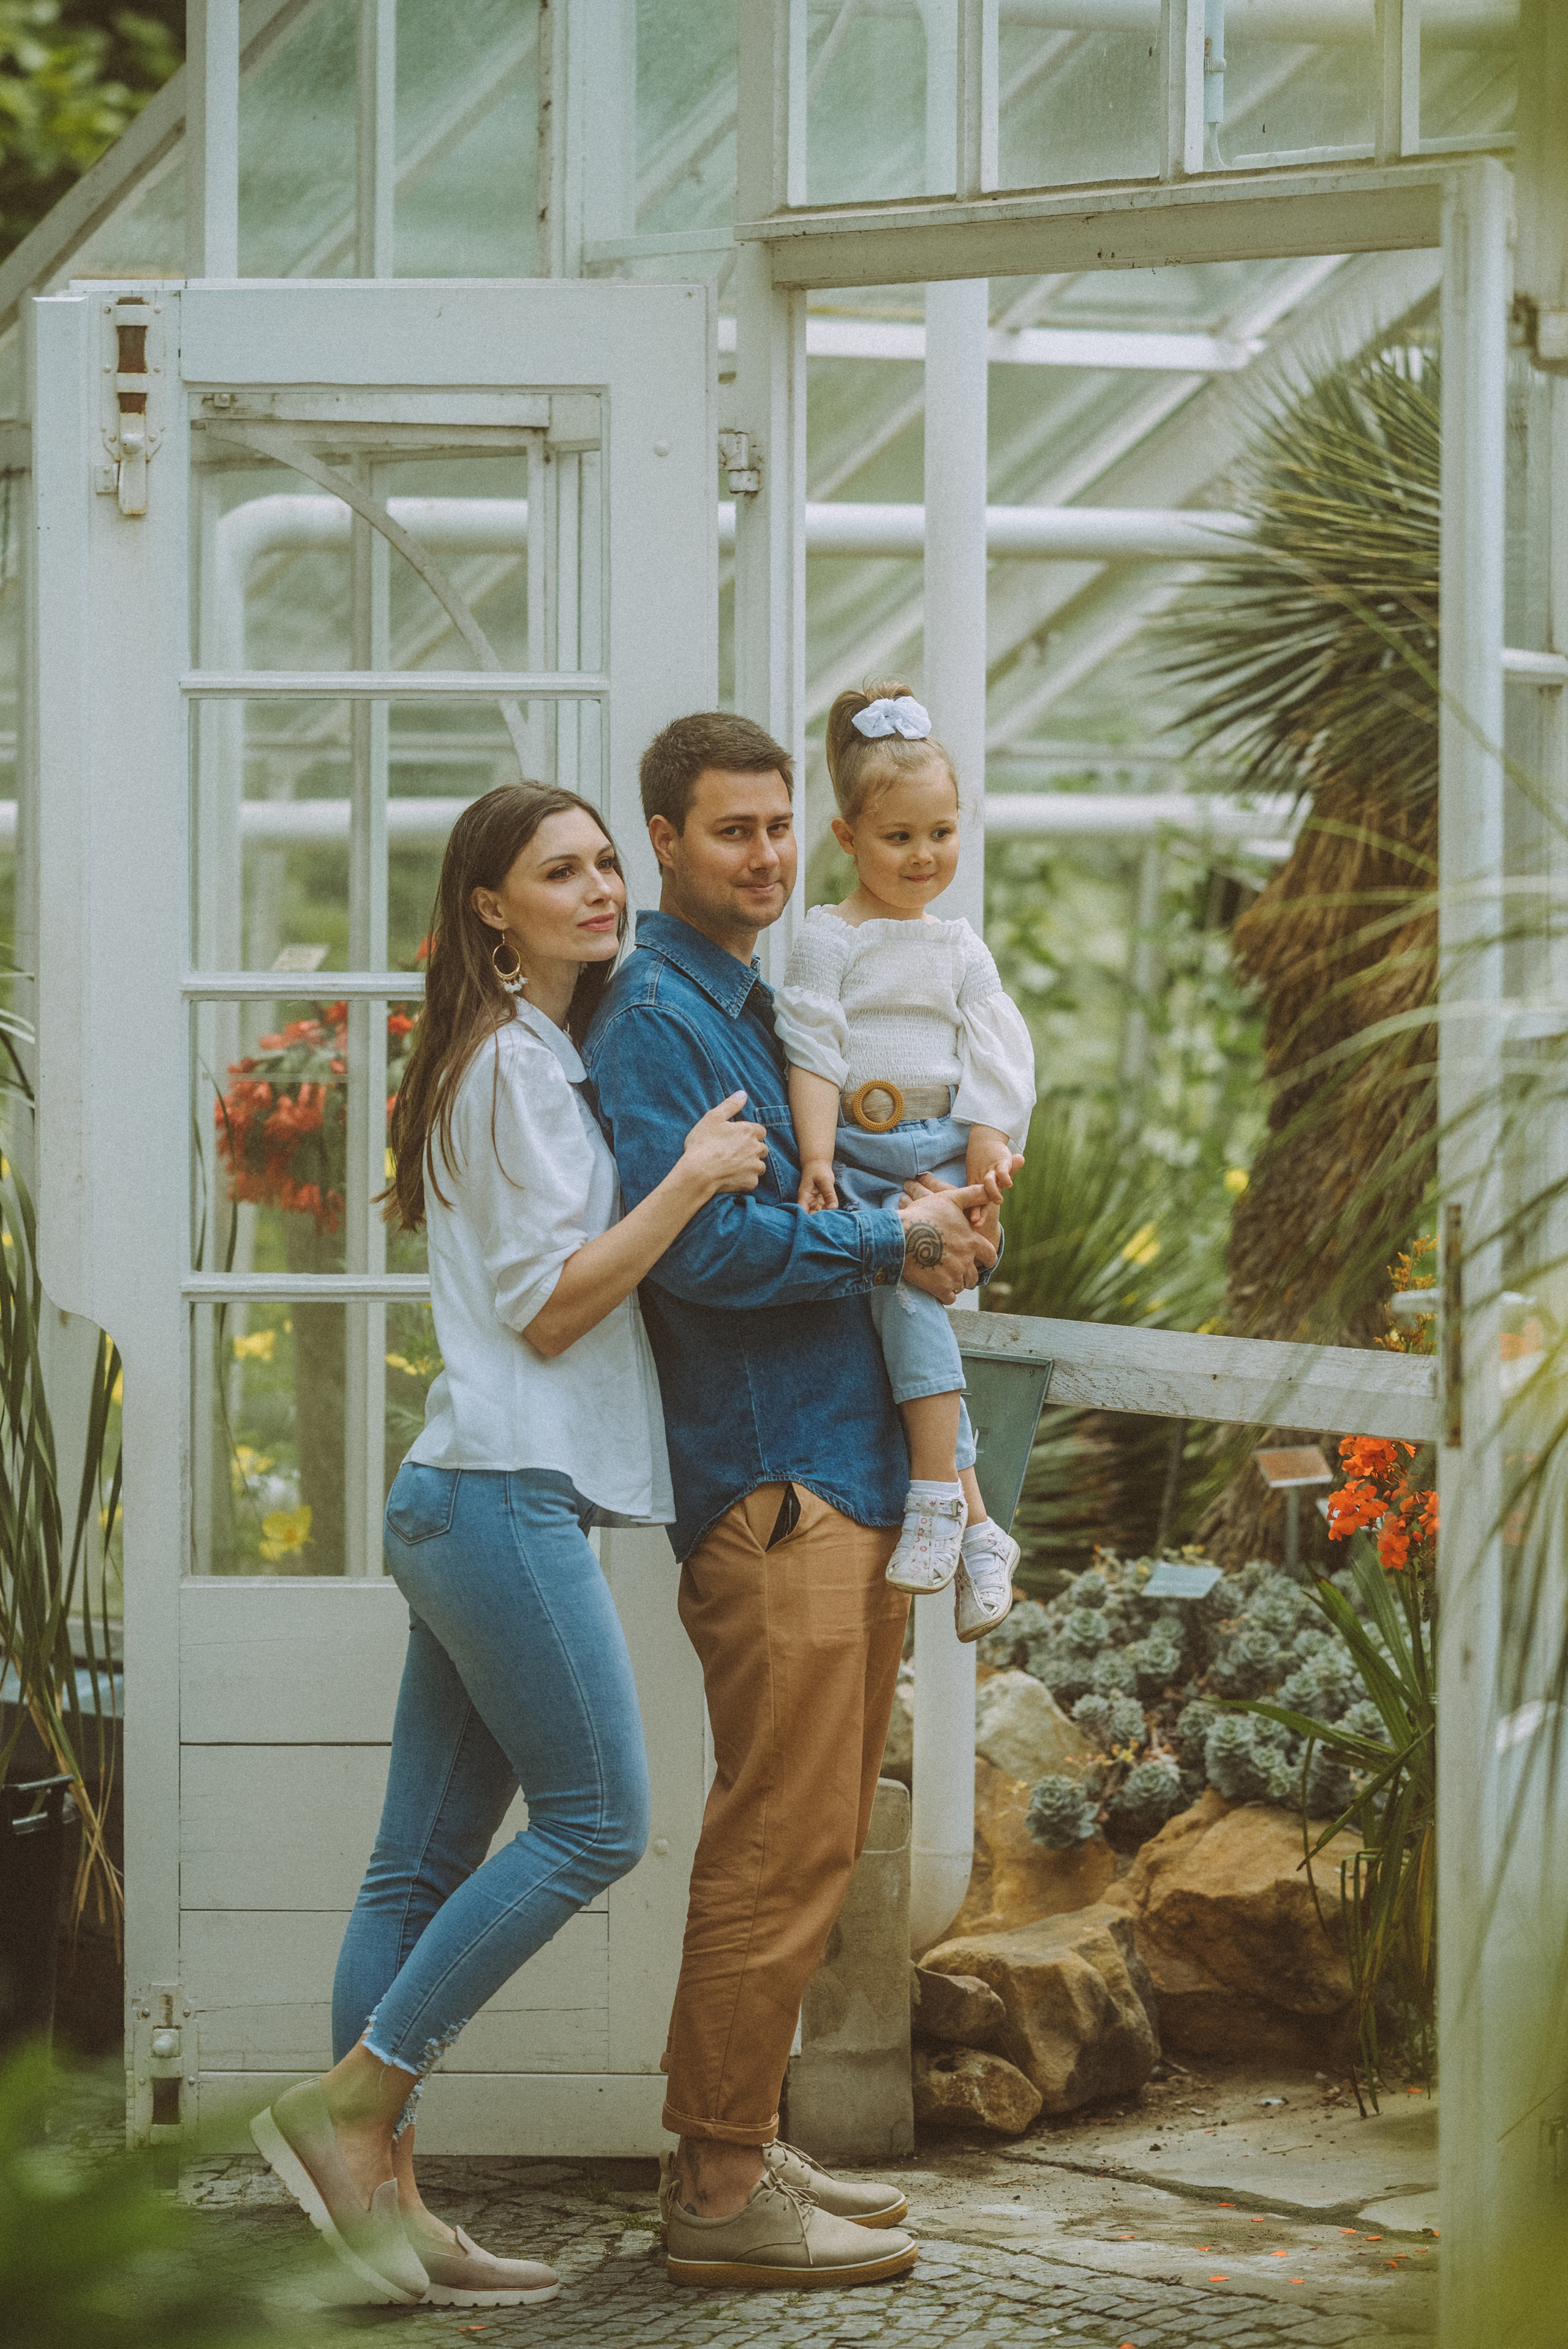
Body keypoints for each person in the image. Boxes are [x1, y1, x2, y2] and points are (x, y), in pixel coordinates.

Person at [248, 783, 768, 2312]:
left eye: (609, 862)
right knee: (598, 1821)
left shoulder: (523, 1055)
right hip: (497, 1496)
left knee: (414, 1867)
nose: (602, 887)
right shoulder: (516, 1073)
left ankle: (382, 2207)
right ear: (490, 907)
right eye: (563, 870)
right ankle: (353, 2112)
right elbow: (552, 1305)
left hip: (466, 1492)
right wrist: (690, 1177)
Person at [584, 713, 1000, 2290]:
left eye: (775, 828)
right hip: (773, 1484)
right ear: (664, 844)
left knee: (813, 1831)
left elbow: (844, 1196)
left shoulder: (762, 999)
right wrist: (891, 1248)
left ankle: (743, 2139)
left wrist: (938, 1214)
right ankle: (710, 2187)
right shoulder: (653, 1021)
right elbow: (698, 1257)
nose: (761, 856)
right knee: (777, 1841)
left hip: (837, 1469)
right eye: (727, 831)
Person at [776, 682, 1035, 1638]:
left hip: (936, 1153)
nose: (924, 857)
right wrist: (814, 1157)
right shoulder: (827, 939)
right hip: (859, 1154)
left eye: (942, 832)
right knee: (905, 1287)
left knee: (909, 1289)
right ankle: (966, 1515)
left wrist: (984, 1180)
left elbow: (996, 1073)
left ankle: (946, 1505)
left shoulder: (962, 951)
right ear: (847, 838)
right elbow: (814, 1051)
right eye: (899, 838)